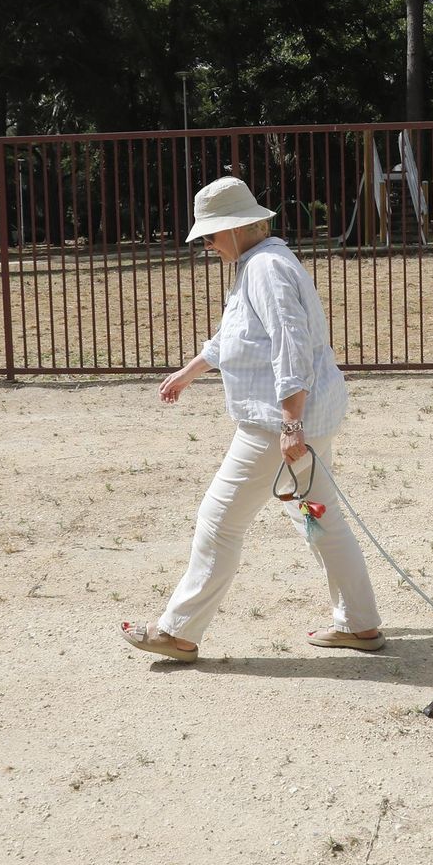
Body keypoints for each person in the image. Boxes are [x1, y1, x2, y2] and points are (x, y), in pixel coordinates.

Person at [120, 176, 384, 663]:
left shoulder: (265, 269)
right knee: (318, 517)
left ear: (239, 228)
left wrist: (290, 423)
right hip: (302, 419)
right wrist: (191, 370)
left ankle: (177, 632)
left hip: (274, 424)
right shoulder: (257, 263)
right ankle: (360, 623)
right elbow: (236, 334)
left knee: (219, 521)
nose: (208, 244)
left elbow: (290, 343)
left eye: (212, 235)